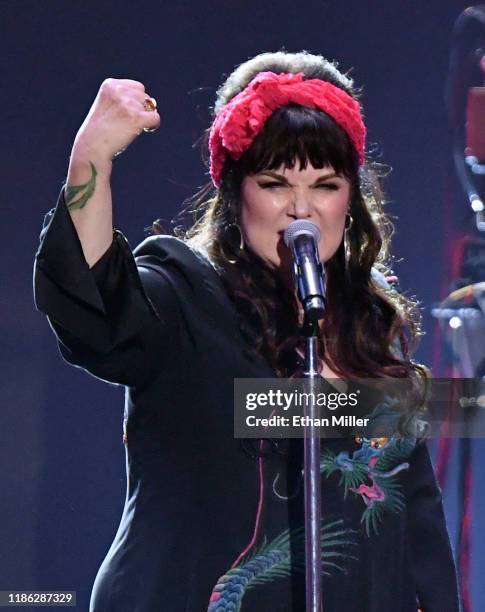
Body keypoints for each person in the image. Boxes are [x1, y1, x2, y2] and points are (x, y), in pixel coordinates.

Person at [33, 50, 460, 611]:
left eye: (326, 184)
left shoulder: (370, 332)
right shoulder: (187, 295)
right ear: (236, 192)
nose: (301, 208)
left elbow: (419, 535)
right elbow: (94, 305)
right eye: (275, 182)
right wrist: (92, 158)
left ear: (351, 199)